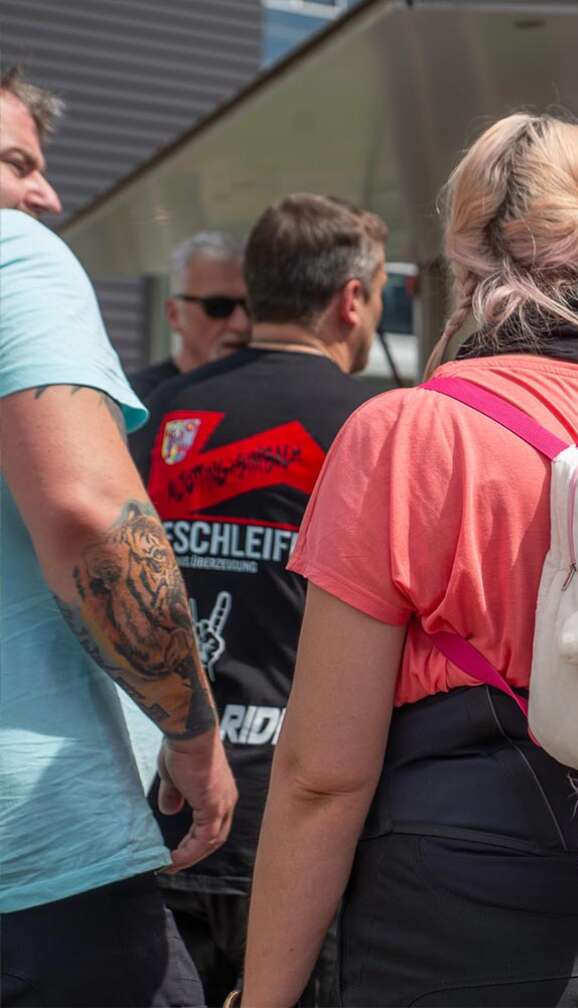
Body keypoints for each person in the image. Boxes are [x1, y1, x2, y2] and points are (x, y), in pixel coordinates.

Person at [242, 114, 578, 1007]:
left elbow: (323, 777)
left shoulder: (404, 437)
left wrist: (266, 995)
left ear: (462, 251)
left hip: (449, 927)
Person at [0, 65, 235, 1007]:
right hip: (37, 864)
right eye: (16, 163)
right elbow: (87, 510)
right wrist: (193, 731)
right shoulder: (14, 255)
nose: (46, 196)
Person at [130, 193, 386, 1006]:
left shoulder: (157, 413)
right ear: (352, 299)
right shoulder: (375, 425)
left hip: (165, 797)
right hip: (305, 824)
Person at [130, 231, 252, 401]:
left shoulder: (274, 393)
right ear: (174, 314)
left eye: (252, 307)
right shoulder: (136, 402)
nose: (241, 324)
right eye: (218, 307)